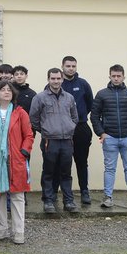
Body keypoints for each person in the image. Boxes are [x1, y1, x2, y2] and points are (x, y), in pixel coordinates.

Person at [90, 64, 127, 208]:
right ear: (109, 76)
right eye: (113, 76)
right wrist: (101, 133)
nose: (116, 78)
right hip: (110, 138)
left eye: (118, 76)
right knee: (109, 168)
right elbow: (95, 116)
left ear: (123, 77)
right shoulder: (102, 94)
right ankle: (107, 197)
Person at [30, 68, 80, 214]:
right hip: (49, 141)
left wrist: (70, 128)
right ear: (48, 79)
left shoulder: (69, 97)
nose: (56, 81)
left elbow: (75, 117)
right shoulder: (40, 98)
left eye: (58, 78)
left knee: (66, 172)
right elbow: (33, 119)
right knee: (49, 171)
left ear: (62, 79)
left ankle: (68, 201)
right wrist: (46, 130)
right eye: (53, 78)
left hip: (67, 141)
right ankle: (48, 201)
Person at [0, 82, 35, 244]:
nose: (6, 92)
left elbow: (29, 135)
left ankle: (18, 232)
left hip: (16, 158)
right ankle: (1, 229)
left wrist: (24, 151)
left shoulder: (20, 112)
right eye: (3, 89)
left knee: (17, 196)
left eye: (9, 90)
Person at [60, 56, 95, 204]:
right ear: (62, 66)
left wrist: (79, 117)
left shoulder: (83, 84)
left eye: (73, 66)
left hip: (80, 128)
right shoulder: (56, 84)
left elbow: (90, 104)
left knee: (81, 162)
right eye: (68, 66)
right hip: (61, 129)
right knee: (62, 163)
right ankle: (64, 194)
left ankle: (84, 191)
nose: (71, 68)